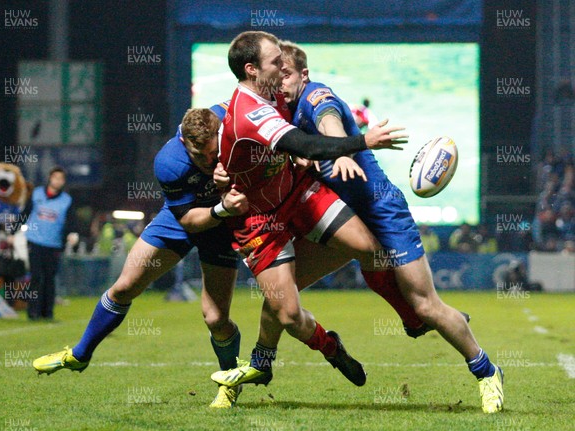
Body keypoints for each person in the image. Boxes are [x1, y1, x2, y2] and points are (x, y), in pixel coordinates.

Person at [215, 40, 504, 414]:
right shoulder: (274, 103)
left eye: (286, 73)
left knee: (427, 305)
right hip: (336, 210)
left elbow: (329, 123)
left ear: (303, 75)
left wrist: (345, 149)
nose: (281, 80)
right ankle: (261, 362)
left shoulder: (316, 97)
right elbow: (267, 135)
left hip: (380, 210)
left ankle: (487, 372)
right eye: (277, 70)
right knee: (281, 297)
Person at [210, 30, 412, 390]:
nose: (282, 67)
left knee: (370, 250)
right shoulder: (249, 112)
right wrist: (363, 141)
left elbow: (302, 133)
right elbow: (302, 141)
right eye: (275, 63)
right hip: (259, 222)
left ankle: (412, 317)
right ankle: (329, 346)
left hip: (299, 193)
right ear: (252, 70)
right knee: (288, 313)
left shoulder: (275, 95)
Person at [32, 109, 251, 408]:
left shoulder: (234, 118)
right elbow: (188, 220)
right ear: (183, 141)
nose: (209, 161)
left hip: (222, 229)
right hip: (184, 217)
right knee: (124, 287)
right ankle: (80, 355)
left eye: (213, 153)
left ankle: (229, 381)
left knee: (215, 318)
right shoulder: (169, 162)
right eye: (200, 156)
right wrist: (222, 207)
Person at [17, 167, 77, 320]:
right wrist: (12, 232)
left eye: (60, 179)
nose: (57, 181)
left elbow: (71, 221)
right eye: (55, 177)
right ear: (50, 178)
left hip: (54, 244)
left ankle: (47, 312)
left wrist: (72, 234)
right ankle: (33, 312)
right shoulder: (37, 193)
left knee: (50, 278)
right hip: (35, 241)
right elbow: (26, 212)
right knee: (36, 276)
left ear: (63, 182)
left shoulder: (66, 200)